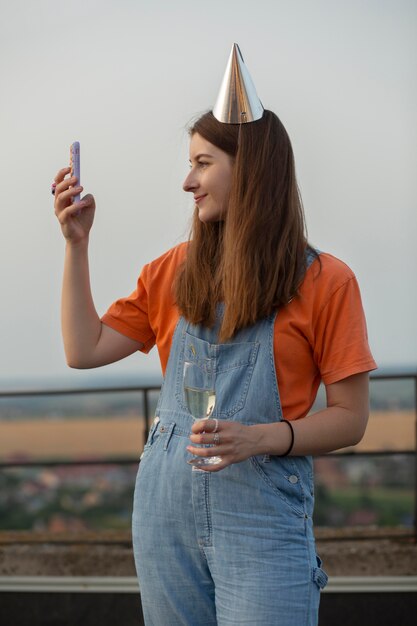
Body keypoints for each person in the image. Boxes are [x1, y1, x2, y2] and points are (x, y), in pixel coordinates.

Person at [54, 45, 376, 626]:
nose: (187, 181)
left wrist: (260, 438)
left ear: (248, 168)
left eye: (203, 163)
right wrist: (76, 245)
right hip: (164, 516)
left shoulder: (327, 281)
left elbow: (351, 419)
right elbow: (83, 350)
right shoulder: (172, 270)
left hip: (262, 521)